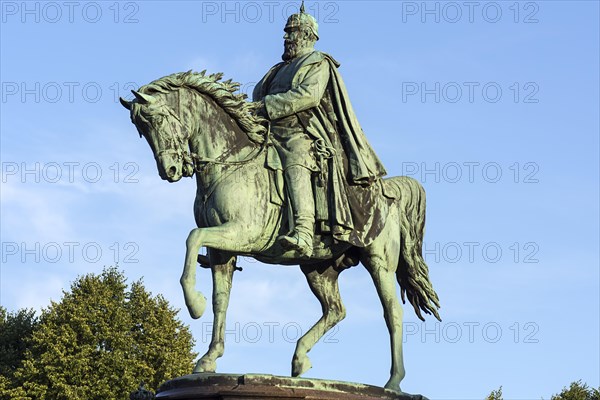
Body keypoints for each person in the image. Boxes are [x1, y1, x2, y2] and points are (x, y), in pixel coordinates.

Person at [253, 2, 387, 258]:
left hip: (304, 132)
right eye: (286, 31)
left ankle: (303, 231)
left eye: (290, 31)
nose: (285, 37)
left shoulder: (318, 62)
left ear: (306, 35)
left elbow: (308, 96)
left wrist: (267, 105)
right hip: (269, 130)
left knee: (296, 155)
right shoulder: (276, 70)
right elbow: (257, 93)